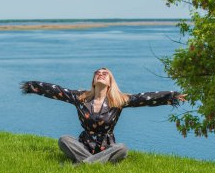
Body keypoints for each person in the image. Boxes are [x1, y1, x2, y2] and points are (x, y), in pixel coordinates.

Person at [21, 67, 186, 165]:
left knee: (122, 149)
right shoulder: (81, 98)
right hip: (83, 146)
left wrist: (172, 96)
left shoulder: (119, 100)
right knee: (64, 139)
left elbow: (146, 98)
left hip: (107, 147)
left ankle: (83, 165)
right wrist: (33, 86)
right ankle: (95, 163)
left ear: (110, 82)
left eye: (104, 74)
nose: (100, 74)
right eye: (97, 73)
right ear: (93, 80)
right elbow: (57, 90)